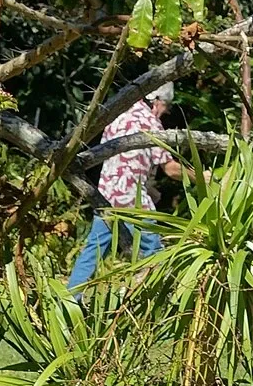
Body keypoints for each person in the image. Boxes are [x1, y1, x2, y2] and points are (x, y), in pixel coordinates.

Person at [67, 87, 181, 294]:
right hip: (133, 204)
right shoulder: (151, 123)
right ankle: (152, 303)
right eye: (166, 107)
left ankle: (68, 302)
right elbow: (171, 169)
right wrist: (203, 177)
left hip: (105, 197)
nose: (164, 113)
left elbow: (120, 163)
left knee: (92, 253)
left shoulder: (117, 118)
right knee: (155, 255)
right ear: (157, 101)